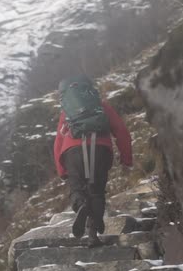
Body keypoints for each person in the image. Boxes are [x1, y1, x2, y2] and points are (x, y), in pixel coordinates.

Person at [53, 77, 133, 247]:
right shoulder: (101, 106)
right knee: (96, 192)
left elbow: (58, 143)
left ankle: (81, 204)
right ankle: (93, 235)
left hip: (72, 153)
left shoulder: (67, 111)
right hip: (100, 149)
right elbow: (121, 131)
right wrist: (126, 159)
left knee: (77, 189)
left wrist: (62, 171)